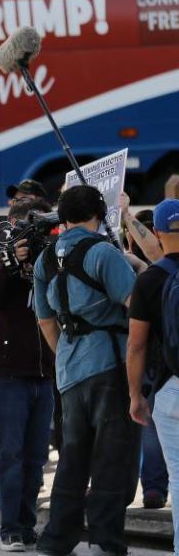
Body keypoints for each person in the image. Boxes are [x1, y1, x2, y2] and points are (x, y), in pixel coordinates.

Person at [33, 185, 139, 556]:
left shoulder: (45, 259)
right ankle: (105, 542)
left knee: (73, 457)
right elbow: (135, 307)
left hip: (69, 367)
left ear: (62, 217)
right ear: (99, 215)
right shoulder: (104, 253)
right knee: (111, 457)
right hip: (111, 363)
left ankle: (57, 540)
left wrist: (66, 353)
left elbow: (46, 322)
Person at [0, 199, 56, 552]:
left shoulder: (52, 262)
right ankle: (11, 528)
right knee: (11, 453)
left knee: (37, 456)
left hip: (44, 374)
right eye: (25, 226)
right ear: (12, 226)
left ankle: (27, 523)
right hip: (7, 374)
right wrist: (9, 265)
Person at [129, 199, 179, 556]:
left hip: (170, 389)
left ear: (159, 232)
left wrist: (135, 395)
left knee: (178, 479)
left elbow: (136, 346)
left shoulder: (150, 279)